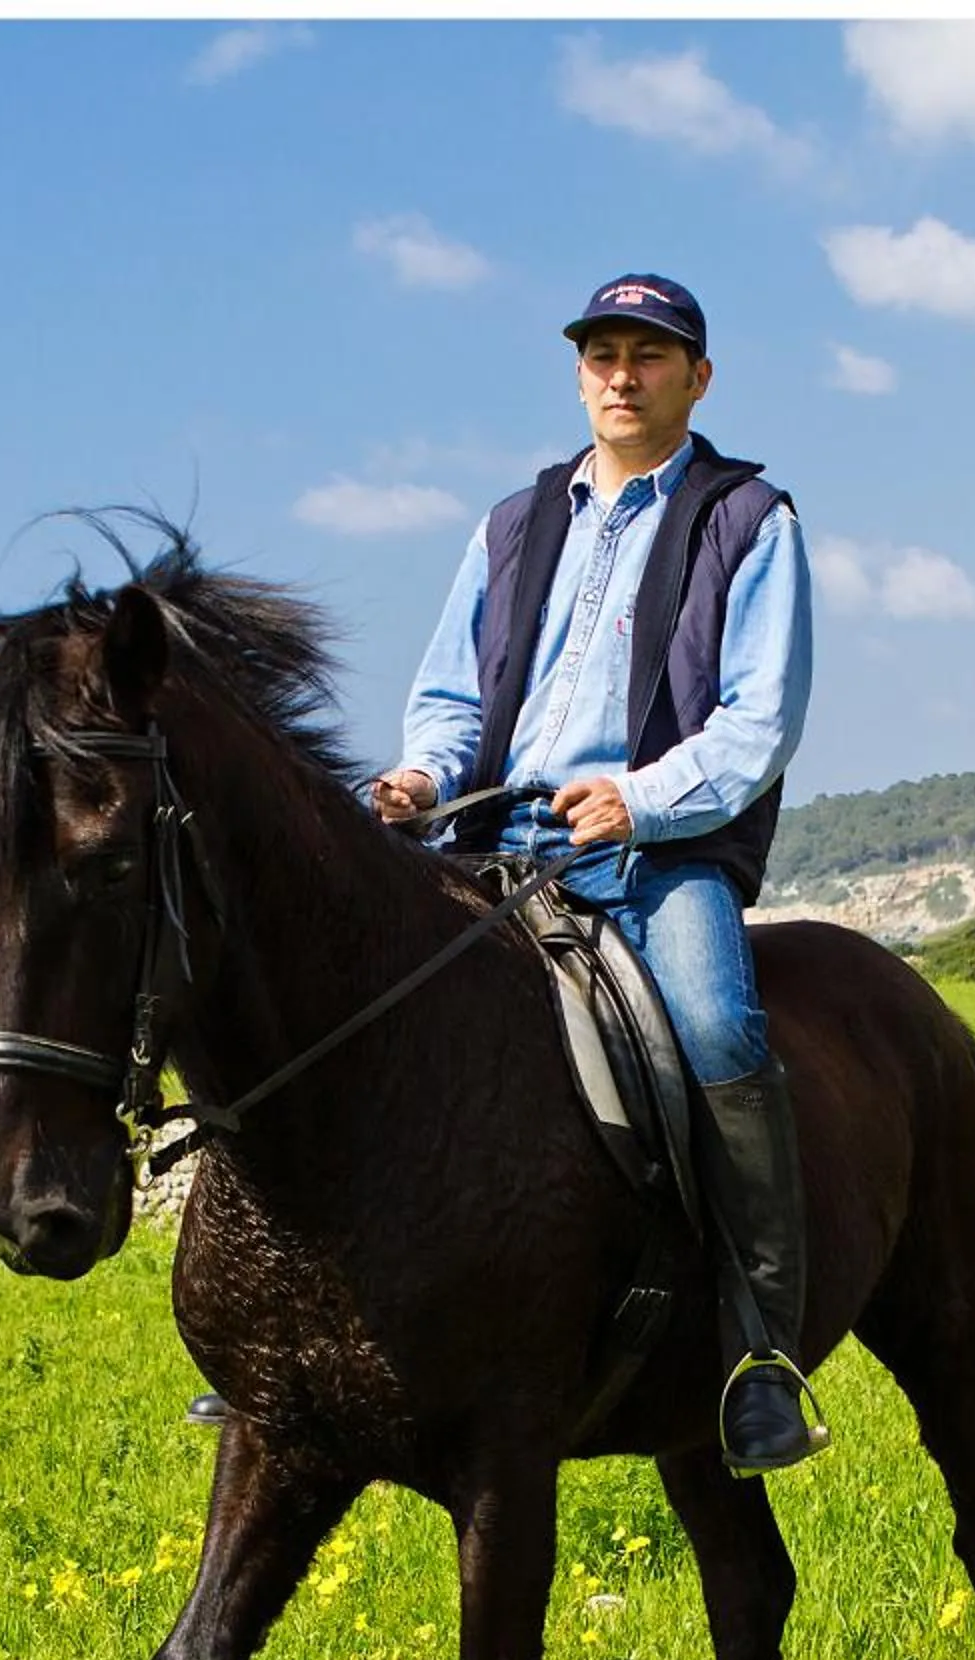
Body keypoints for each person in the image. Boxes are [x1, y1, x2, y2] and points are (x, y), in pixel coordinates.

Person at [367, 270, 825, 1475]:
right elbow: (453, 696)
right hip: (496, 843)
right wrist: (420, 778)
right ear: (579, 373)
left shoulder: (750, 519)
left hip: (655, 854)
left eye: (649, 356)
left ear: (697, 378)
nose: (621, 375)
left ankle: (759, 1348)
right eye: (602, 354)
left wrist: (641, 794)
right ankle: (328, 1335)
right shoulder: (513, 522)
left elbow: (758, 721)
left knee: (723, 1027)